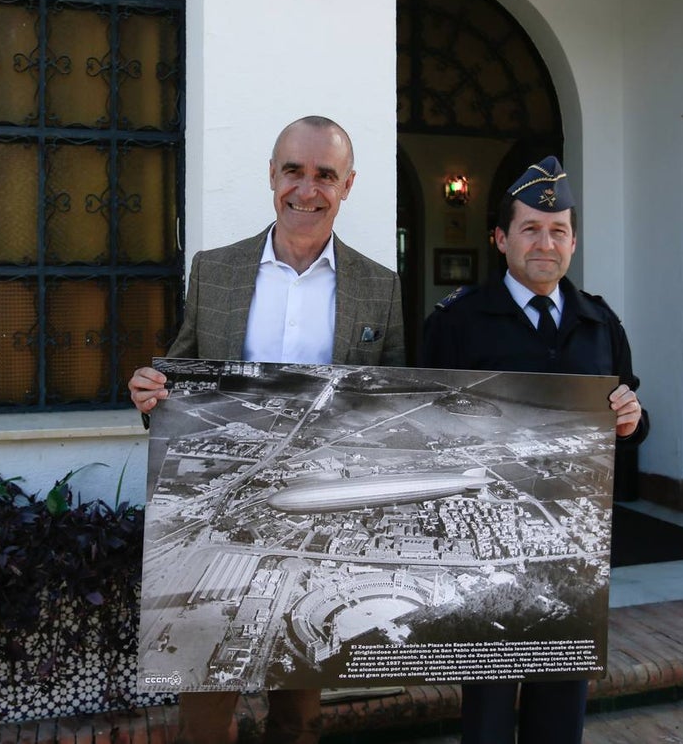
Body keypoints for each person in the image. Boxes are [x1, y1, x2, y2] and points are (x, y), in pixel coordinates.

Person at [128, 115, 405, 744]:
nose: (307, 190)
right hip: (214, 517)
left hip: (315, 525)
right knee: (204, 704)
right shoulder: (216, 270)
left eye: (325, 175)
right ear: (272, 176)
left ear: (348, 185)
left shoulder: (379, 288)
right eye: (294, 171)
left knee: (298, 711)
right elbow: (181, 373)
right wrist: (150, 394)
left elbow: (388, 411)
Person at [421, 156, 648, 743]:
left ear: (573, 240)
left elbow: (630, 421)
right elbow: (422, 431)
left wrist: (631, 422)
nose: (545, 242)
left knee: (559, 709)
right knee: (490, 711)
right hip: (485, 544)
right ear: (500, 239)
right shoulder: (458, 322)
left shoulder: (601, 323)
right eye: (530, 228)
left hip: (571, 546)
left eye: (559, 230)